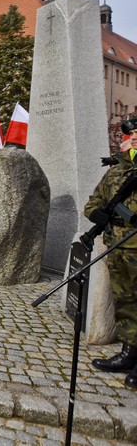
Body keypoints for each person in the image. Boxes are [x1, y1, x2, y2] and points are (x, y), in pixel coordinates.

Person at [84, 117, 137, 390]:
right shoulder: (116, 171)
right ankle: (130, 353)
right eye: (132, 133)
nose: (134, 137)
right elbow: (94, 200)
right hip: (116, 246)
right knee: (125, 301)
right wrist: (97, 214)